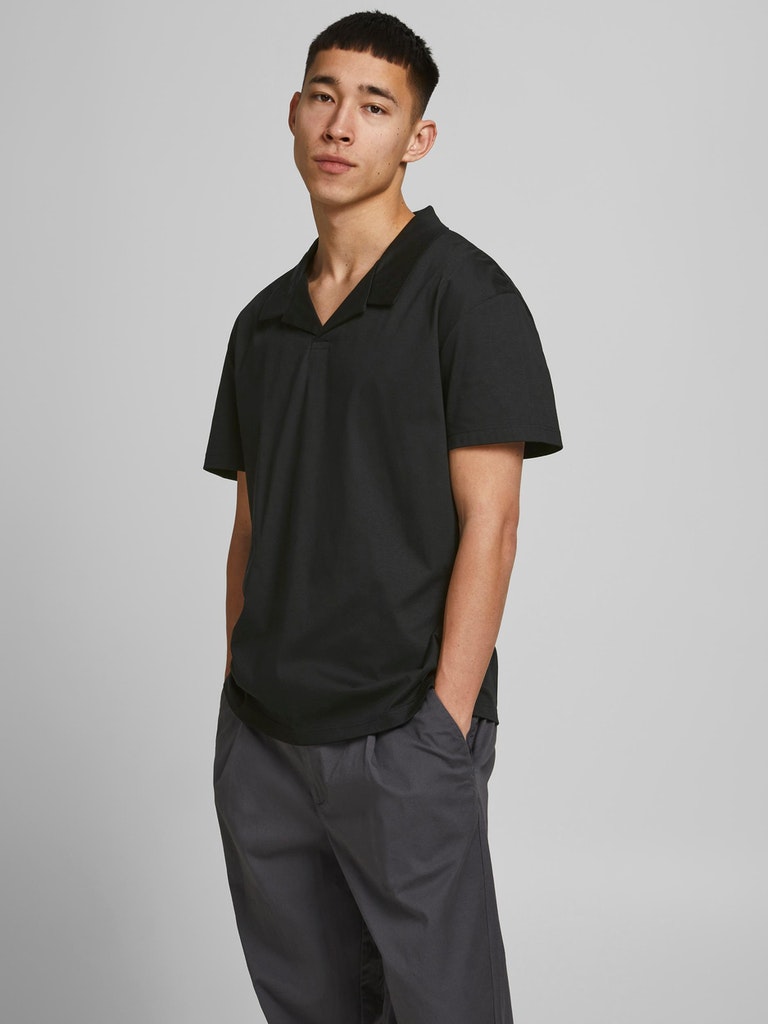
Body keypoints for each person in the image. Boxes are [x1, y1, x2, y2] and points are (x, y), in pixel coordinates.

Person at [203, 11, 562, 1023]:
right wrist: (239, 697)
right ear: (293, 112)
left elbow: (492, 525)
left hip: (403, 733)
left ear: (417, 137)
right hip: (266, 740)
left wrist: (442, 724)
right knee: (309, 1009)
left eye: (374, 105)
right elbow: (252, 523)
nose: (340, 125)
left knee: (446, 1009)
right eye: (323, 96)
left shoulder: (466, 297)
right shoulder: (263, 323)